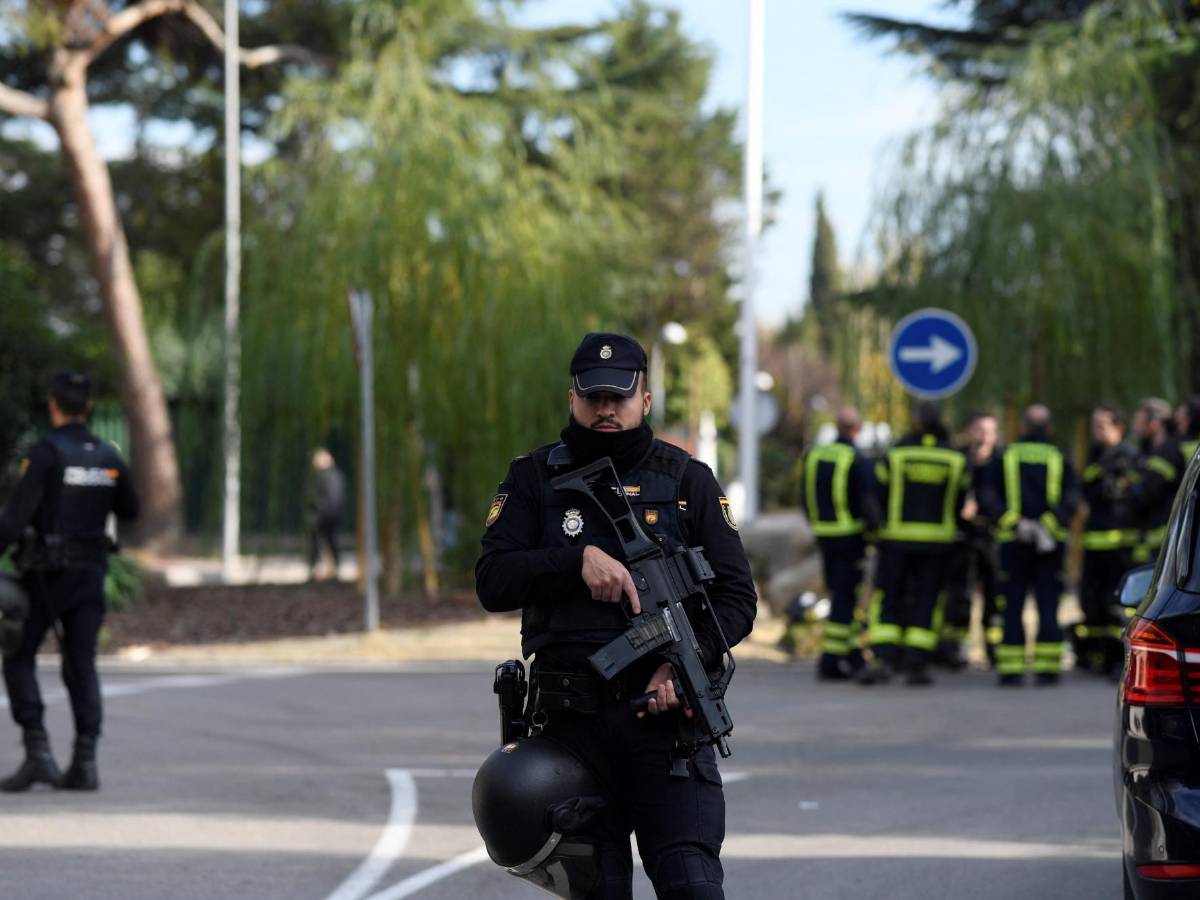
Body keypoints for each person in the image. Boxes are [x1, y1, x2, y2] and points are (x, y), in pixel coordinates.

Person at [475, 332, 756, 899]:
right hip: (570, 733)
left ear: (644, 401)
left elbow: (736, 598)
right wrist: (573, 561)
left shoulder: (687, 481)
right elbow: (493, 580)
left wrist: (683, 667)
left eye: (619, 397)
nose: (606, 409)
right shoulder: (532, 478)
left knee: (694, 887)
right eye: (593, 396)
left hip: (666, 733)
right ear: (572, 398)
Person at [0, 372, 139, 791]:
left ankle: (38, 751)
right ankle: (86, 760)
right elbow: (130, 510)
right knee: (81, 663)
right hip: (91, 574)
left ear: (53, 405)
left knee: (18, 655)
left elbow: (14, 520)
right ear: (89, 408)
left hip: (46, 576)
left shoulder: (45, 453)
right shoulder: (109, 456)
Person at [862, 401, 969, 687]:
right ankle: (916, 662)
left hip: (896, 541)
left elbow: (876, 493)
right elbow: (962, 502)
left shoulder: (897, 454)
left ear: (917, 422)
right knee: (927, 600)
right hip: (938, 544)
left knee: (889, 598)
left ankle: (884, 658)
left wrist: (876, 528)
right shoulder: (954, 458)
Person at [978, 404, 1079, 686]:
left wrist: (1014, 524)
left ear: (1022, 427)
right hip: (1050, 544)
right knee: (1048, 604)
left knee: (1012, 604)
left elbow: (987, 495)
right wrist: (1046, 525)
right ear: (1049, 429)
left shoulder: (1005, 456)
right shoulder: (1059, 458)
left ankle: (1011, 669)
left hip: (1013, 543)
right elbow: (1072, 498)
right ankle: (1047, 669)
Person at [800, 406, 880, 680]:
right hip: (850, 538)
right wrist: (874, 534)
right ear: (858, 429)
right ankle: (831, 660)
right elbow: (868, 502)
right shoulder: (857, 458)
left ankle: (853, 655)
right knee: (846, 599)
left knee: (839, 595)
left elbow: (804, 496)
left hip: (824, 537)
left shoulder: (814, 455)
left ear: (836, 427)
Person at [1076, 404, 1139, 676]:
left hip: (1118, 543)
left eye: (1101, 425)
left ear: (1118, 427)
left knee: (1116, 604)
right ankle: (1096, 655)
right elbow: (1087, 492)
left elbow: (1124, 495)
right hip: (1094, 542)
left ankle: (1117, 659)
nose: (1096, 431)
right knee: (1092, 601)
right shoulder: (1095, 455)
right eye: (1094, 425)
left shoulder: (1129, 456)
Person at [940, 411, 1001, 668]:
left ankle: (994, 649)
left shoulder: (1002, 462)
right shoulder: (959, 459)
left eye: (989, 431)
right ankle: (955, 649)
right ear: (969, 431)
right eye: (979, 430)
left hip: (992, 537)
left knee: (995, 595)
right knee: (959, 594)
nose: (984, 436)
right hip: (963, 537)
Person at [1127, 398, 1186, 566]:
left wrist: (1133, 491)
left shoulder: (1170, 452)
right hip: (1147, 540)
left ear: (1154, 424)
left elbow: (1147, 493)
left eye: (1139, 422)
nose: (1134, 427)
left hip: (1167, 540)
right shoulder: (1144, 453)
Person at [306, 448, 346, 581]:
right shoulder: (337, 475)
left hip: (323, 515)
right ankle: (333, 569)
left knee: (317, 542)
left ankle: (318, 569)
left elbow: (316, 498)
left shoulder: (320, 476)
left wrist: (318, 513)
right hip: (334, 515)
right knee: (332, 542)